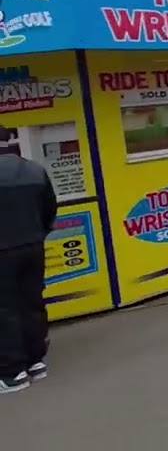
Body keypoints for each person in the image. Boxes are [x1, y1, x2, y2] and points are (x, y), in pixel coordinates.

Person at [0, 124, 57, 393]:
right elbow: (49, 209)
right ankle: (36, 361)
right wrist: (37, 234)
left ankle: (12, 374)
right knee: (31, 302)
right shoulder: (35, 169)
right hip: (33, 247)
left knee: (4, 310)